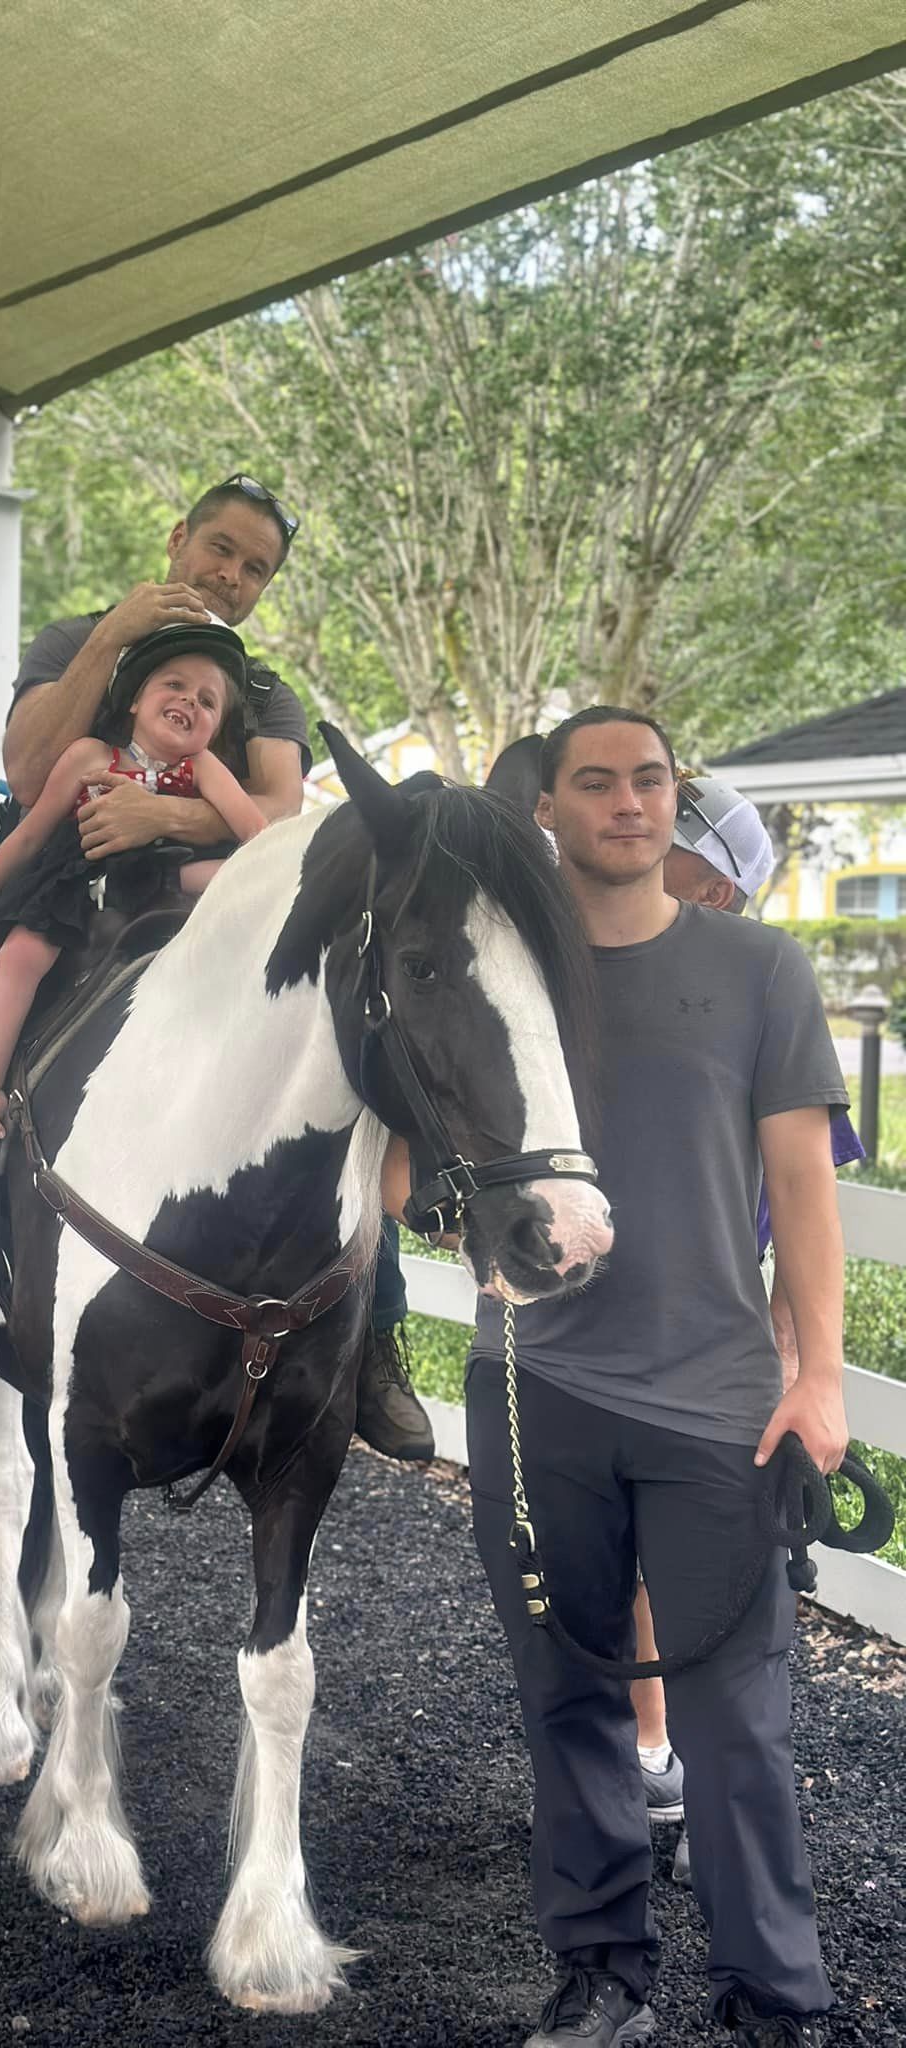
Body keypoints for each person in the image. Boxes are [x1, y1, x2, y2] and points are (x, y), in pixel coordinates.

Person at [389, 707, 848, 2045]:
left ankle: (777, 1997)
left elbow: (803, 1194)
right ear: (552, 810)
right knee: (570, 1702)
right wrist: (443, 1220)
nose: (629, 802)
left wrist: (818, 1378)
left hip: (717, 1402)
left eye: (651, 780)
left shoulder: (761, 968)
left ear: (675, 801)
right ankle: (605, 1977)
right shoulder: (498, 973)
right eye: (597, 782)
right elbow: (410, 1154)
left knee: (738, 1722)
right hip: (537, 1396)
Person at [0, 475, 428, 1467]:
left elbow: (278, 809)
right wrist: (114, 636)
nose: (231, 575)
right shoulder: (73, 642)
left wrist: (162, 815)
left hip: (201, 915)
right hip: (63, 903)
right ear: (178, 539)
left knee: (339, 1068)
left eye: (255, 567)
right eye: (219, 548)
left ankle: (377, 1337)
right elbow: (26, 771)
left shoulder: (260, 691)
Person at [633, 774, 865, 1888]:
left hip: (723, 1347)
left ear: (715, 884)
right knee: (630, 1563)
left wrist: (796, 1360)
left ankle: (697, 1781)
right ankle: (650, 1754)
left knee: (720, 1579)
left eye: (668, 848)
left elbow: (797, 1196)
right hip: (622, 1337)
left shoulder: (760, 985)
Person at [0, 624, 265, 1145]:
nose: (188, 701)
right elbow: (32, 835)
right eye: (174, 686)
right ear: (135, 700)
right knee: (20, 954)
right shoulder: (89, 756)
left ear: (213, 729)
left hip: (162, 876)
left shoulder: (203, 767)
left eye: (207, 701)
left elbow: (256, 835)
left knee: (240, 884)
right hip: (82, 878)